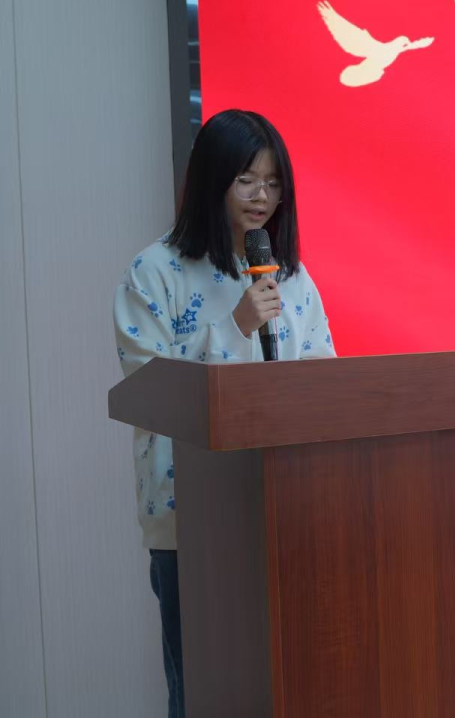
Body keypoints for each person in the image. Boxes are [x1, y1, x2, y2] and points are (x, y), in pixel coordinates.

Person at [113, 109, 335, 717]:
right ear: (212, 179)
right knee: (203, 688)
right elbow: (149, 391)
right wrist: (235, 326)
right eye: (246, 179)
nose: (263, 196)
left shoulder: (292, 275)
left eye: (274, 182)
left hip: (285, 505)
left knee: (286, 682)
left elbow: (324, 379)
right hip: (191, 517)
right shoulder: (153, 272)